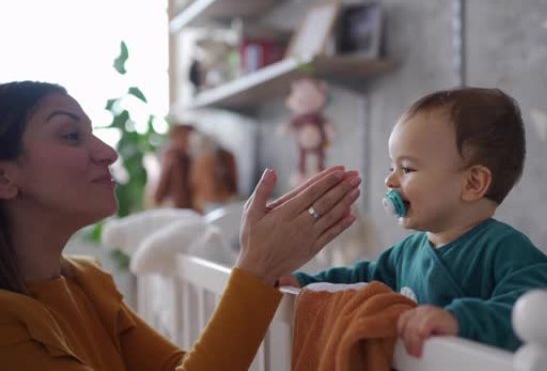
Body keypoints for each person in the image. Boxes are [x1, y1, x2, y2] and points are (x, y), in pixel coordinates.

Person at [0, 80, 362, 371]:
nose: (107, 152)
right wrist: (256, 269)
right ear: (5, 176)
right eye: (70, 135)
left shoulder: (87, 283)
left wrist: (258, 269)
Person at [280, 88, 547, 355]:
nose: (390, 181)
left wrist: (460, 321)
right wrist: (302, 284)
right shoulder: (407, 253)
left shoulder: (504, 249)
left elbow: (534, 303)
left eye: (407, 168)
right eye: (392, 168)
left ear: (473, 183)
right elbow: (359, 280)